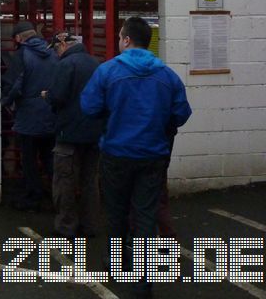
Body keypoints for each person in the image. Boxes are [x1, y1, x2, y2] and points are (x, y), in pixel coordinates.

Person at [81, 16, 191, 298]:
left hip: (116, 154)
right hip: (153, 157)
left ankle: (116, 265)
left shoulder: (107, 72)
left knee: (116, 213)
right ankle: (143, 284)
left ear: (126, 39)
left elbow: (89, 107)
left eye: (120, 36)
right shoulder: (167, 75)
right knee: (145, 218)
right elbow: (181, 114)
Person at [44, 32, 103, 239]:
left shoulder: (66, 64)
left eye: (56, 49)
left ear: (62, 44)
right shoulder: (96, 64)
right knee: (90, 182)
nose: (56, 53)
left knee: (64, 182)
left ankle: (65, 227)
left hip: (68, 133)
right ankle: (91, 226)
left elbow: (58, 97)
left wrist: (47, 96)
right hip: (95, 133)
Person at [0, 20, 58, 211]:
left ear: (18, 38)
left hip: (29, 116)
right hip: (51, 114)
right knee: (50, 158)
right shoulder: (53, 52)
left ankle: (33, 196)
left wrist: (5, 101)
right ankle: (57, 195)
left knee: (29, 159)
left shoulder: (22, 55)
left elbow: (14, 84)